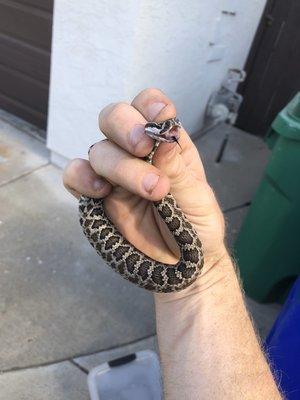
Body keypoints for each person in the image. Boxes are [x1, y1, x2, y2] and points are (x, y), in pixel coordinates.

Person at [63, 88, 281, 399]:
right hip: (157, 241)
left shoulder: (163, 171)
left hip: (178, 256)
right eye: (163, 128)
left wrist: (205, 276)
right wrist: (204, 279)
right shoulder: (151, 162)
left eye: (171, 127)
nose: (170, 130)